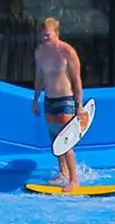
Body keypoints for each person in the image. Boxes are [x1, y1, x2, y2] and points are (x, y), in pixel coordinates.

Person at [31, 17, 86, 193]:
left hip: (66, 100)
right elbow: (39, 78)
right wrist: (35, 100)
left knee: (66, 141)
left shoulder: (67, 52)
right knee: (55, 140)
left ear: (57, 33)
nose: (45, 37)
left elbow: (77, 81)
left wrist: (79, 106)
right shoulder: (40, 53)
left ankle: (74, 180)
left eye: (48, 34)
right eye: (43, 34)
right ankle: (62, 173)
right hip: (49, 100)